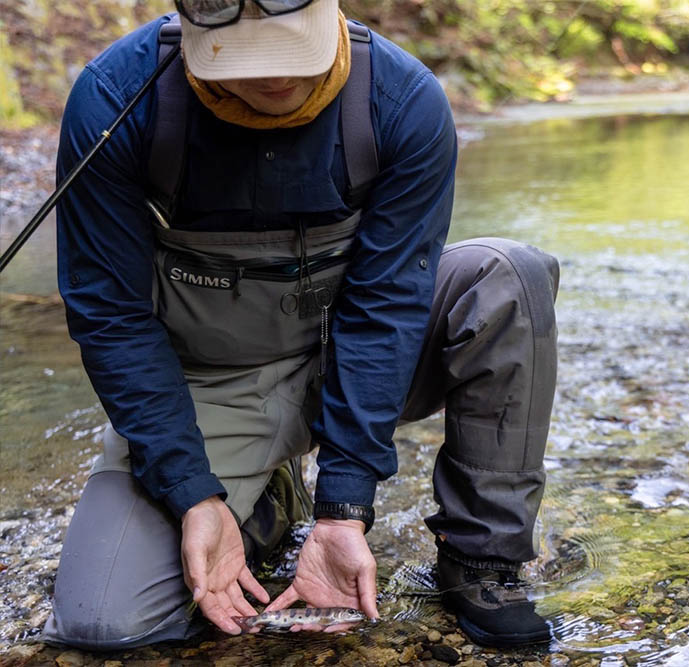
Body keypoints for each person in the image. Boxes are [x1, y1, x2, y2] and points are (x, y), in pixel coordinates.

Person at [43, 0, 559, 650]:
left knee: (505, 277)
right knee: (106, 621)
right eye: (249, 60)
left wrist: (345, 509)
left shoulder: (402, 102)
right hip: (211, 382)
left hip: (365, 355)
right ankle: (259, 504)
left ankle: (482, 560)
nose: (272, 80)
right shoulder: (116, 102)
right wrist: (193, 492)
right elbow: (112, 317)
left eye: (291, 55)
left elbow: (386, 308)